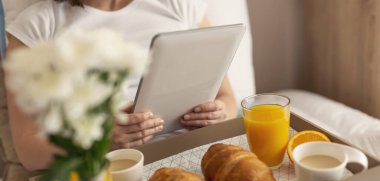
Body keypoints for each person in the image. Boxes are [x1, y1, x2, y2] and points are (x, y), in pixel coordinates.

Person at [5, 0, 237, 170]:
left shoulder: (178, 4)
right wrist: (101, 141)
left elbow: (227, 100)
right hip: (109, 169)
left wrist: (216, 115)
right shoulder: (38, 27)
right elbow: (28, 150)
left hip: (195, 153)